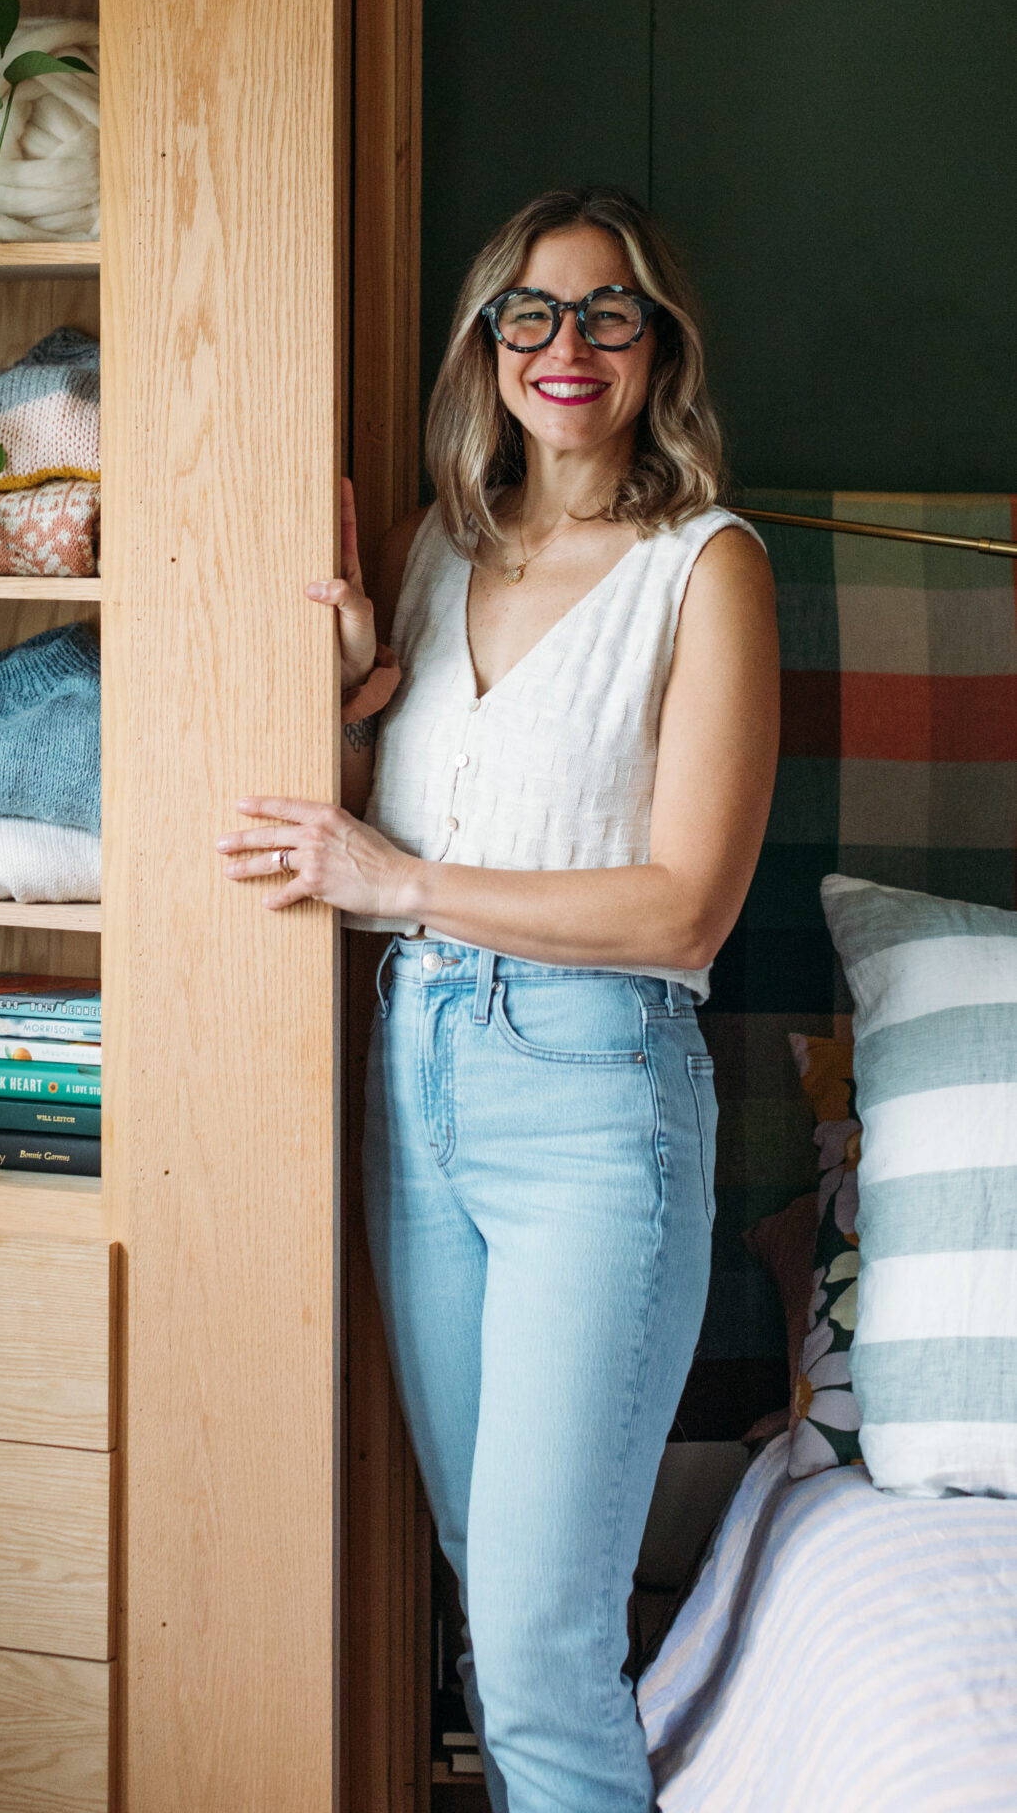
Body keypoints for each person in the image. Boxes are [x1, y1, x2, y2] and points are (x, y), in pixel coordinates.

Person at [218, 186, 779, 1813]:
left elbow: (687, 902)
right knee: (487, 1570)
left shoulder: (704, 566)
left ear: (656, 344)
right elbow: (366, 816)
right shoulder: (428, 548)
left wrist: (393, 887)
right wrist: (331, 701)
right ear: (486, 344)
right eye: (528, 314)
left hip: (595, 1095)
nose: (566, 345)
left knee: (535, 1636)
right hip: (418, 1077)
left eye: (607, 312)